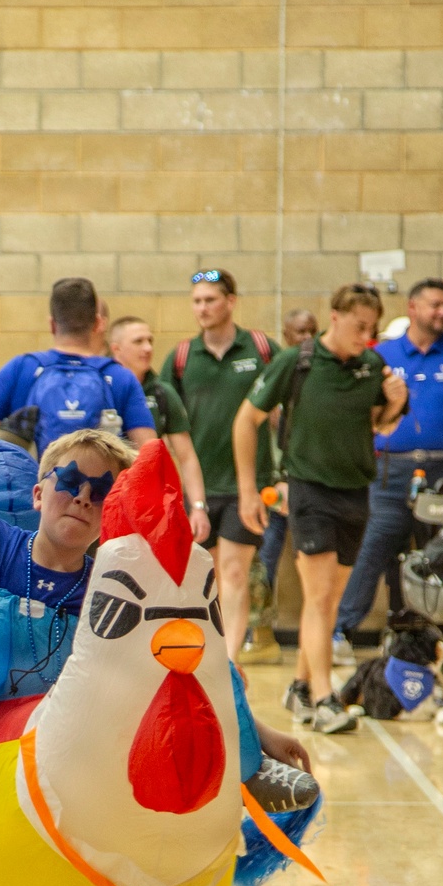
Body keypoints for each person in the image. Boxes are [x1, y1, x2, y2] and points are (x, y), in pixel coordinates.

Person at [0, 421, 316, 830]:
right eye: (70, 481)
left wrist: (259, 731)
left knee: (187, 645)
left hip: (70, 693)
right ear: (39, 493)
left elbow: (180, 663)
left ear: (112, 515)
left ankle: (251, 772)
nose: (82, 498)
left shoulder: (113, 580)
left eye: (101, 494)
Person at [234, 283, 408, 734]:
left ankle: (298, 687)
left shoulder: (372, 366)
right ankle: (325, 697)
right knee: (318, 596)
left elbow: (378, 426)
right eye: (358, 326)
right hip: (309, 490)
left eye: (371, 329)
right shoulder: (298, 361)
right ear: (335, 316)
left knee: (330, 599)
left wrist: (395, 404)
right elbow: (245, 420)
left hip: (357, 491)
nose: (364, 336)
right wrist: (249, 489)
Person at [333, 278, 443, 661]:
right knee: (373, 548)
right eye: (435, 305)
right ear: (412, 308)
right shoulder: (381, 355)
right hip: (390, 473)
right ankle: (341, 630)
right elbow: (362, 416)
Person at [160, 268, 280, 663]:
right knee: (203, 575)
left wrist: (282, 477)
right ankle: (204, 652)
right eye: (196, 301)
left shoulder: (261, 349)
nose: (202, 308)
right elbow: (160, 423)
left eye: (210, 299)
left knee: (233, 572)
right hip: (197, 488)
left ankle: (227, 661)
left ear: (230, 301)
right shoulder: (180, 358)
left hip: (247, 485)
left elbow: (286, 411)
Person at [0, 277, 156, 458]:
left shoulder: (21, 369)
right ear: (98, 323)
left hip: (36, 492)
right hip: (102, 494)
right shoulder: (119, 376)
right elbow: (149, 454)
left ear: (52, 324)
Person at [242, 308, 320, 666]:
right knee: (264, 560)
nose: (306, 337)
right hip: (274, 487)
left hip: (312, 484)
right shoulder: (276, 376)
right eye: (299, 331)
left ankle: (325, 634)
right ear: (286, 336)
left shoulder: (321, 374)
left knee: (319, 563)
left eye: (312, 330)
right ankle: (259, 633)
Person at [107, 315, 210, 544]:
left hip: (148, 506)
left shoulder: (162, 392)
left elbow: (186, 456)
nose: (147, 348)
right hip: (105, 501)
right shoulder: (99, 388)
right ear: (116, 348)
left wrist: (198, 507)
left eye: (150, 340)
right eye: (138, 342)